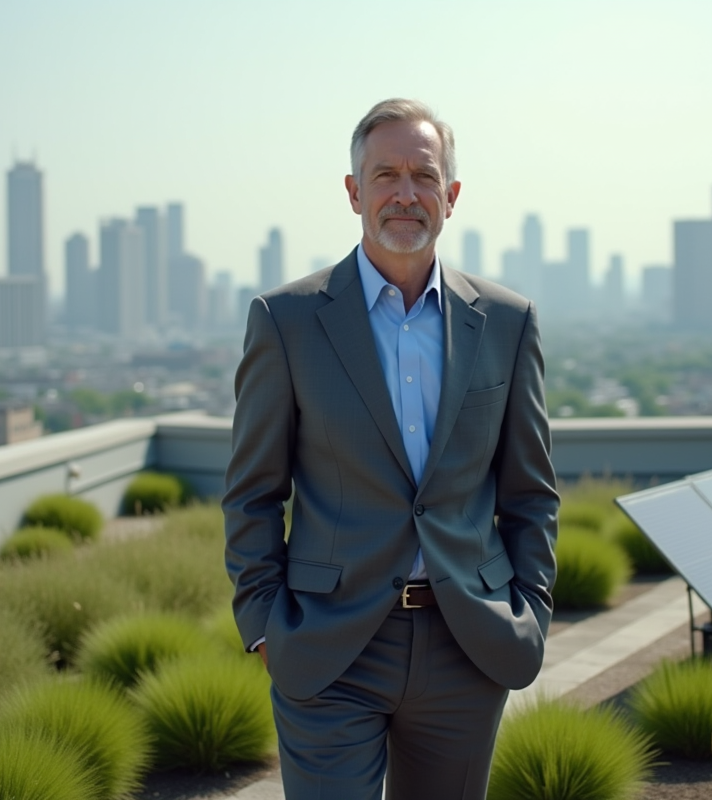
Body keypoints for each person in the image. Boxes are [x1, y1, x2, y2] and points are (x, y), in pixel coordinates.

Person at [223, 98, 559, 800]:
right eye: (385, 175)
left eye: (424, 176)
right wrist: (264, 626)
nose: (405, 193)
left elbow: (530, 492)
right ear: (354, 192)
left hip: (467, 645)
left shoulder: (507, 322)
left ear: (451, 196)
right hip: (329, 648)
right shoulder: (285, 321)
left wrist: (529, 609)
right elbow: (253, 491)